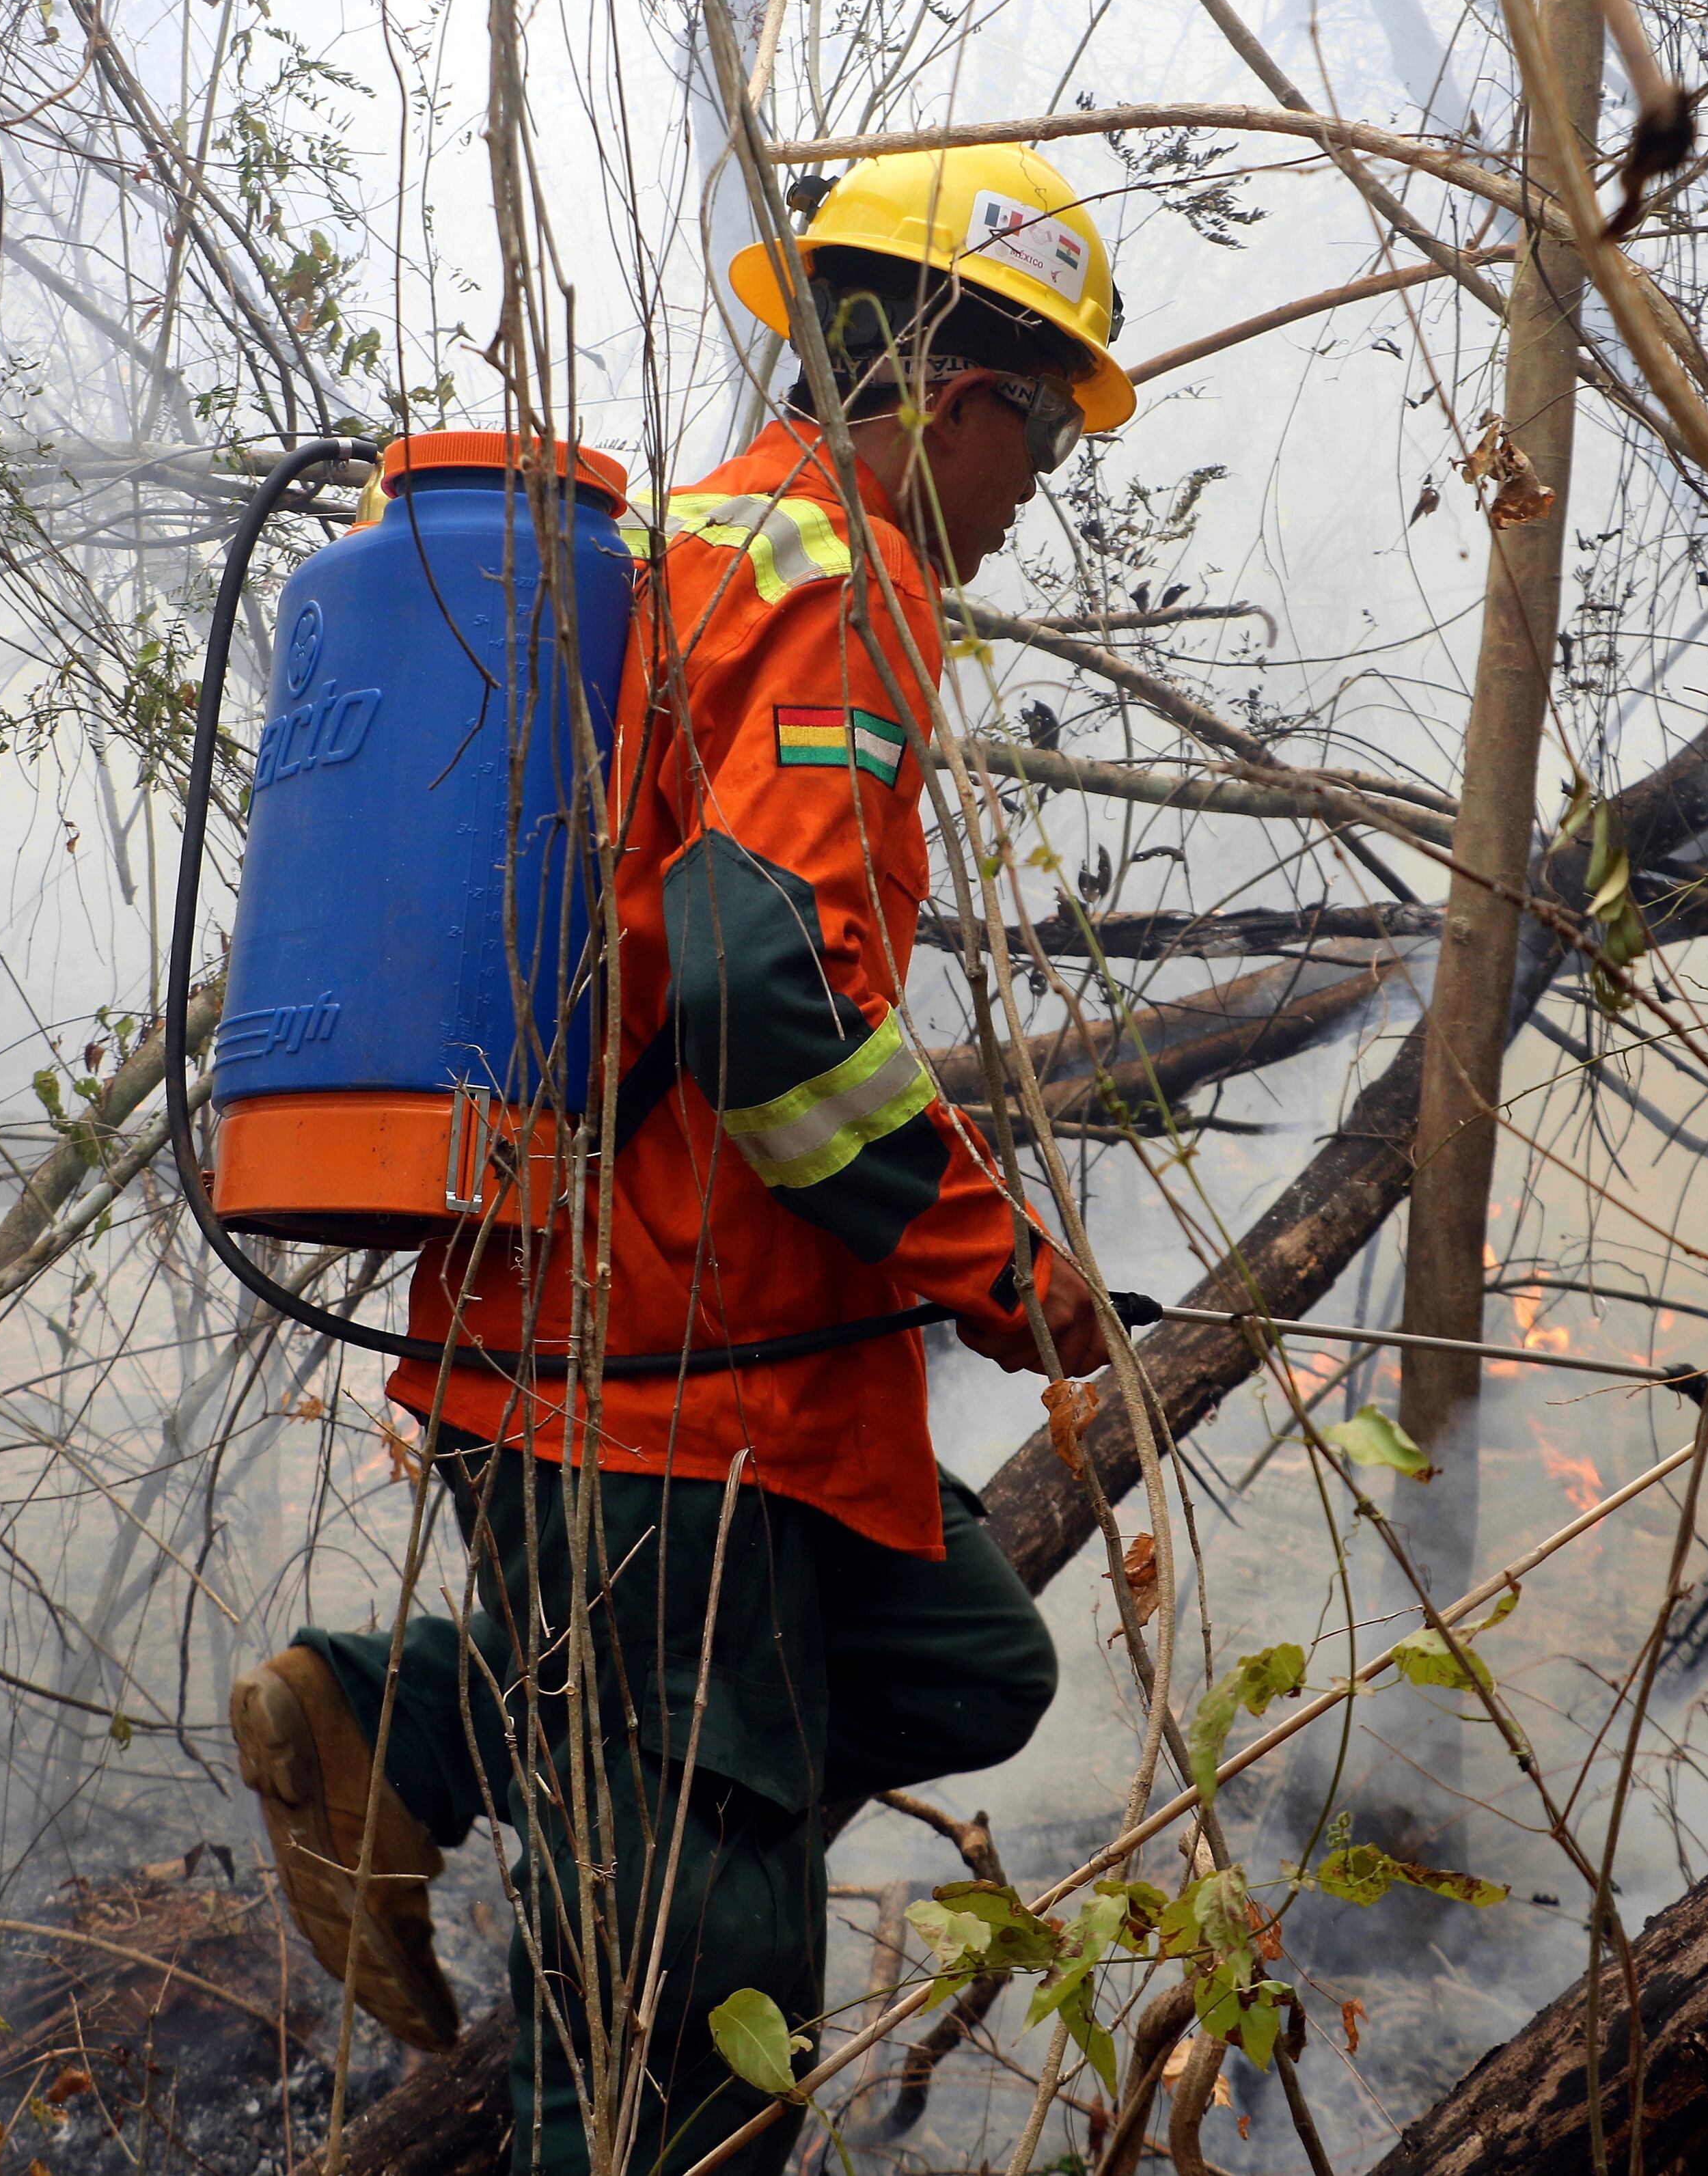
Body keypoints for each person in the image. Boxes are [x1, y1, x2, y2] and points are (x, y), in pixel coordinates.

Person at [231, 141, 1135, 2173]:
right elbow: (755, 989)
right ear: (951, 397)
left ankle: (419, 1722)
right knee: (676, 2056)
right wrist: (994, 1263)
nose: (1027, 503)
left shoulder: (699, 548)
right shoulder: (847, 574)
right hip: (662, 1413)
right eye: (1045, 443)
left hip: (683, 1373)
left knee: (967, 1659)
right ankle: (530, 1759)